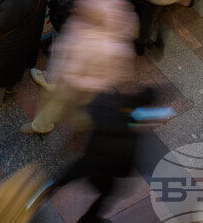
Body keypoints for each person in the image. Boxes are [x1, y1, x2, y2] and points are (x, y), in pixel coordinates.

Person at [22, 0, 137, 135]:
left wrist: (77, 80)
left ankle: (51, 126)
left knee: (63, 104)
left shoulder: (111, 48)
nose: (76, 12)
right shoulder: (94, 16)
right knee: (63, 104)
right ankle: (52, 125)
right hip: (68, 78)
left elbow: (109, 76)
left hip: (78, 85)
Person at [46, 88, 155, 221]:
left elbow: (95, 105)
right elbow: (124, 170)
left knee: (67, 176)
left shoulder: (111, 103)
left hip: (89, 158)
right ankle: (88, 219)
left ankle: (46, 190)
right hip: (104, 172)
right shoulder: (130, 135)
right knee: (105, 195)